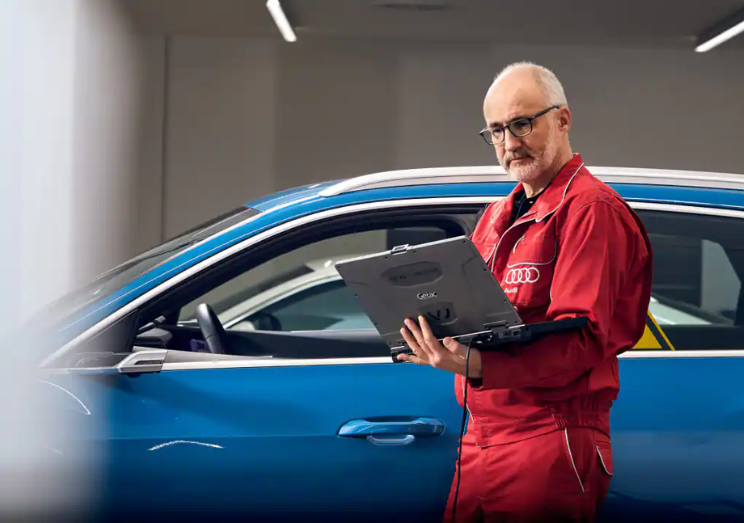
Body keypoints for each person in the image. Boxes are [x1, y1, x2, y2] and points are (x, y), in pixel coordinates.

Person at [397, 62, 653, 522]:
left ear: (563, 119)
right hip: (481, 436)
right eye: (496, 130)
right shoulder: (497, 215)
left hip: (549, 438)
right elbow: (477, 316)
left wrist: (474, 364)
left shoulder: (591, 211)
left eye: (522, 123)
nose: (510, 143)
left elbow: (580, 340)